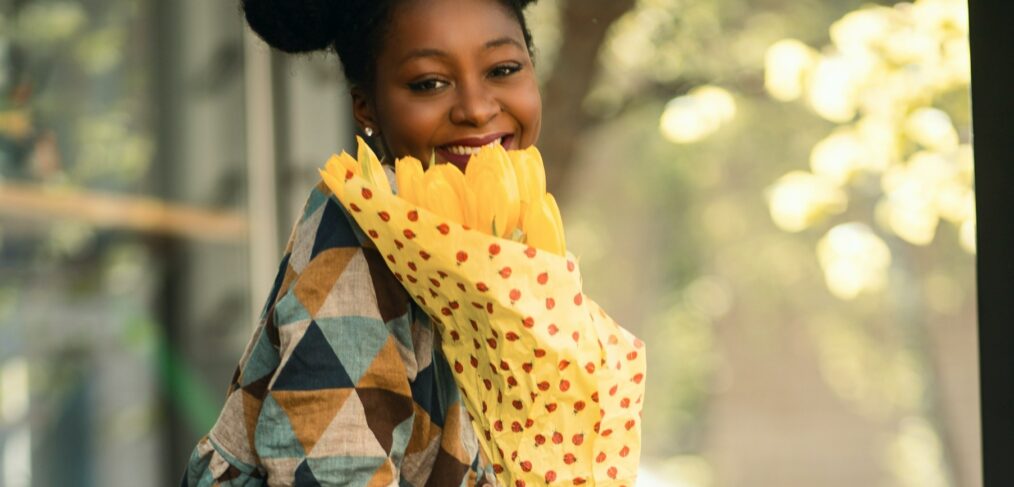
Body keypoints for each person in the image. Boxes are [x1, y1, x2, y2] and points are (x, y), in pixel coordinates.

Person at [181, 0, 541, 485]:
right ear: (366, 106)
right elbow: (336, 470)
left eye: (502, 69)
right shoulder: (366, 230)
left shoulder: (500, 236)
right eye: (429, 83)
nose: (476, 109)